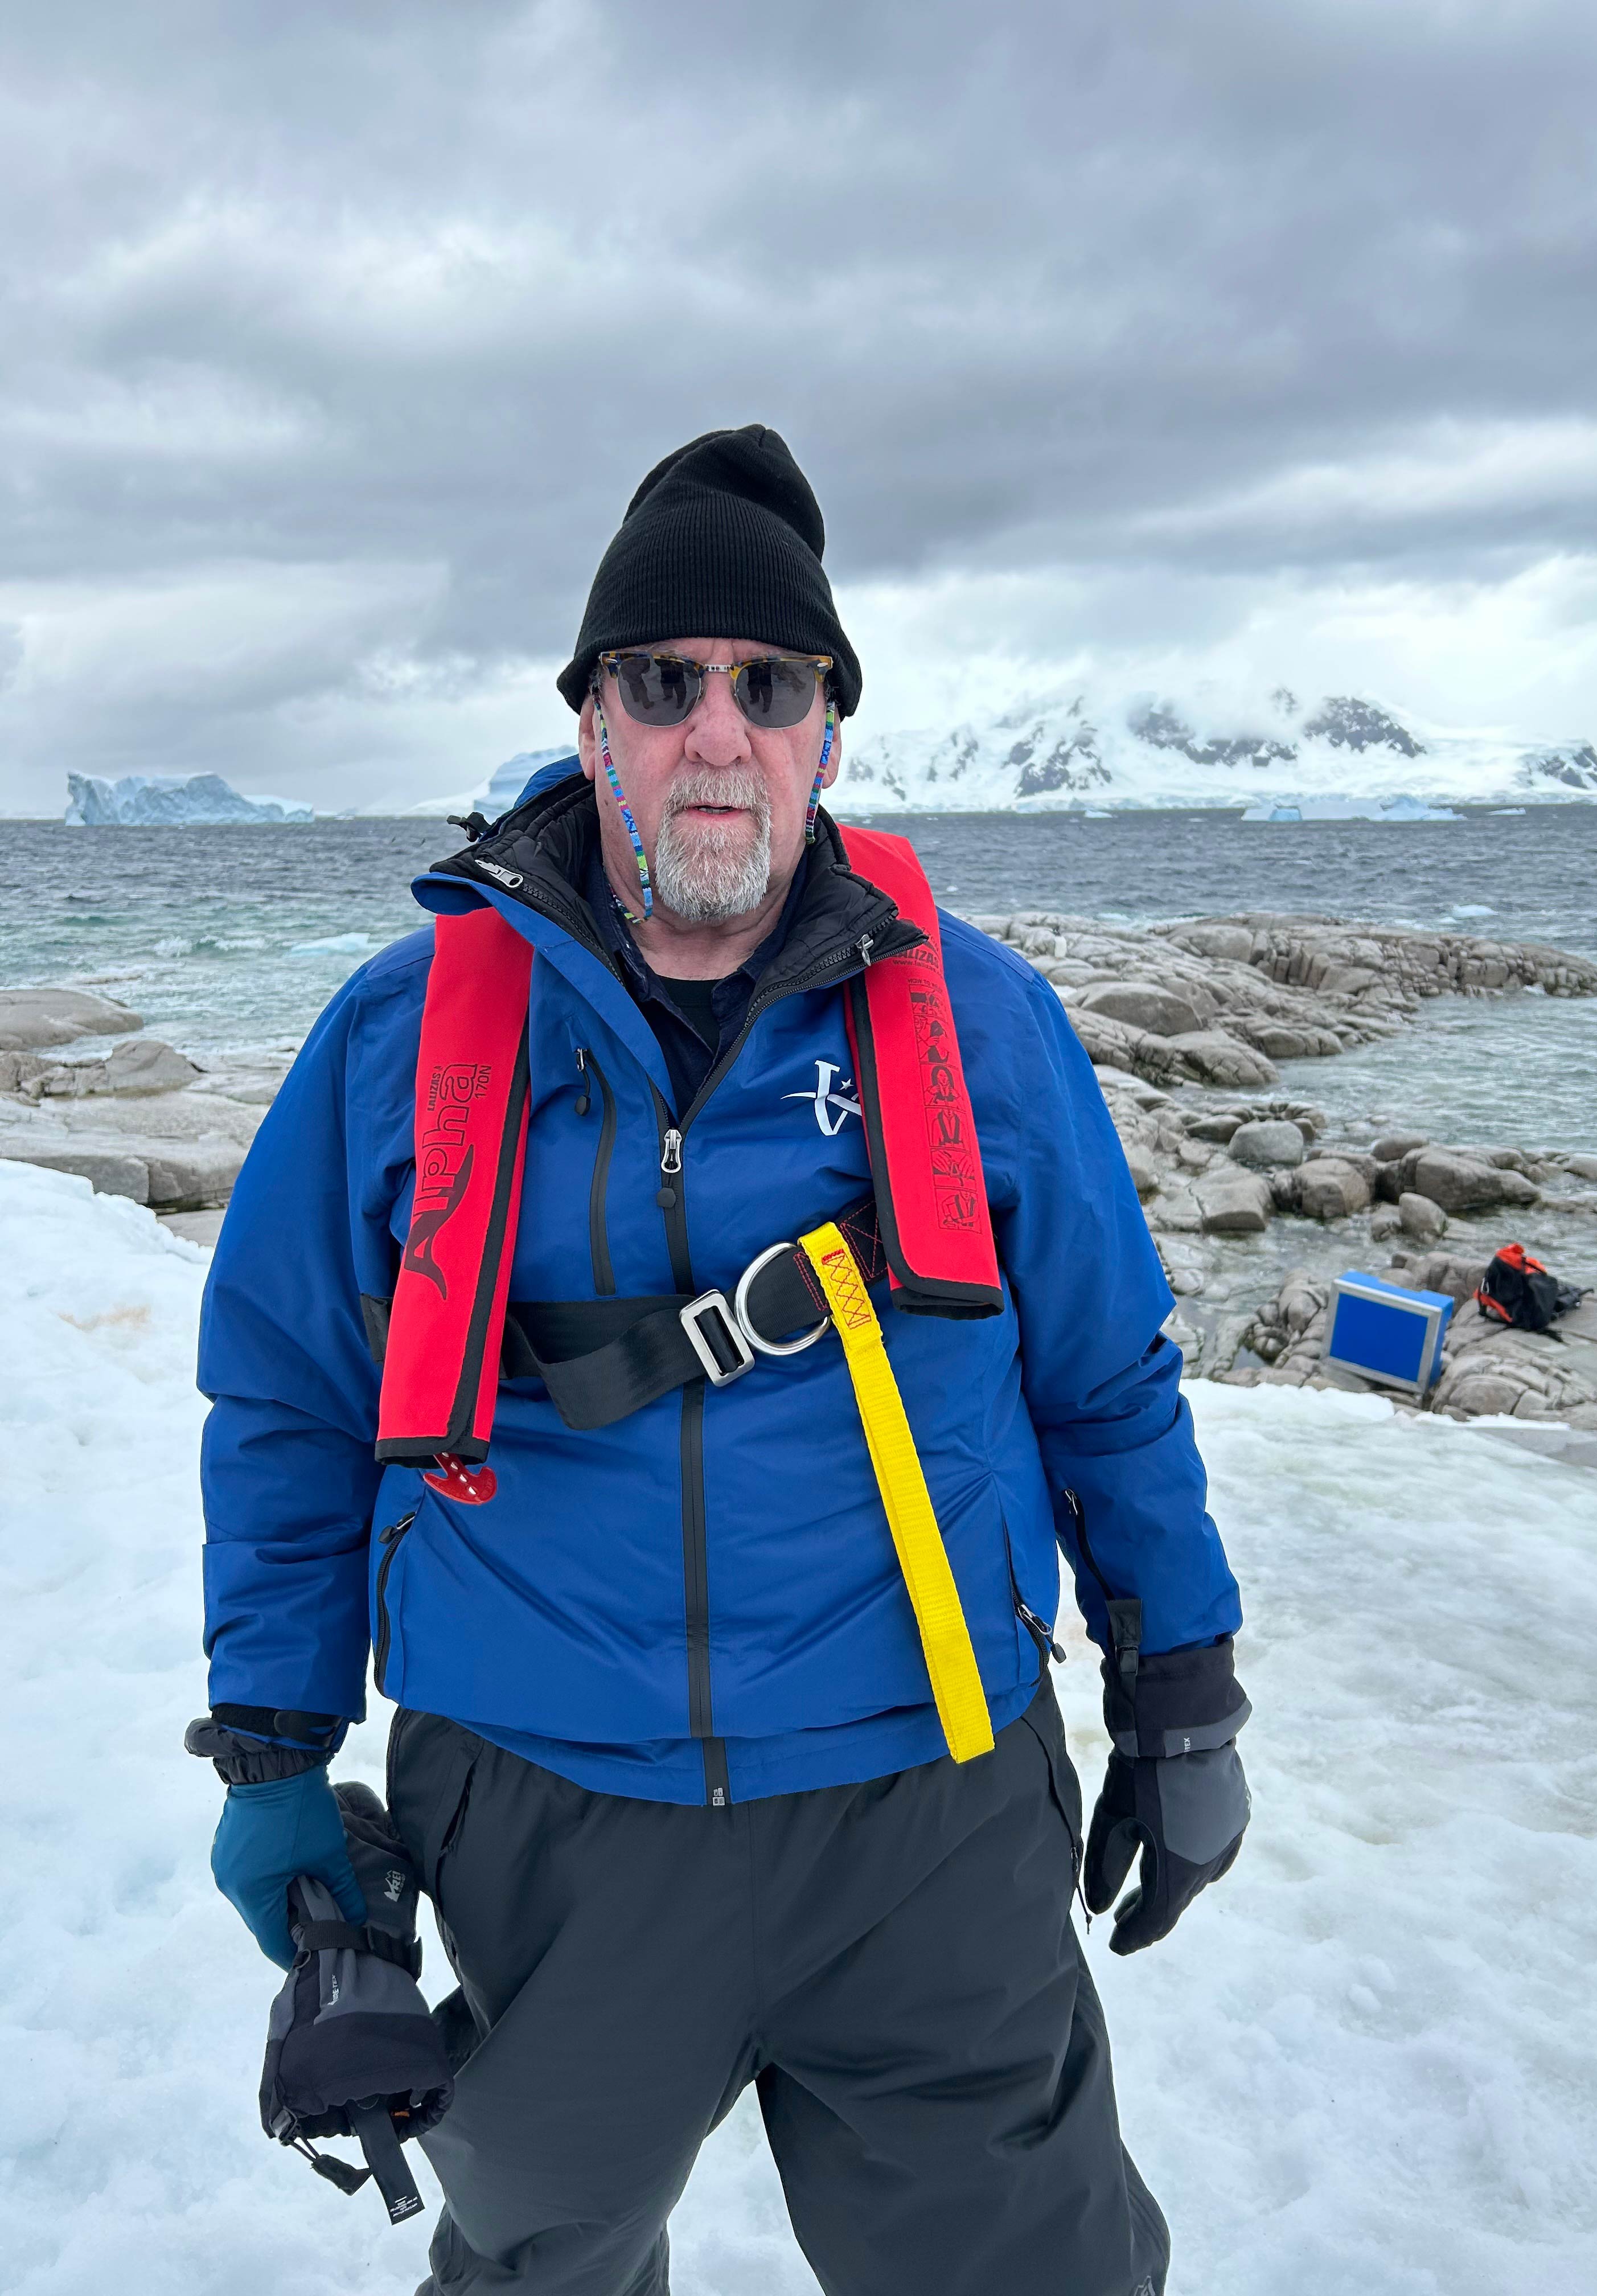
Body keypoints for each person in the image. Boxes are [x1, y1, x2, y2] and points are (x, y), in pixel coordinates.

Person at [188, 424, 1249, 2296]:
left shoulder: (976, 1023)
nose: (715, 727)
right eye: (664, 681)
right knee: (537, 2265)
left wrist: (1184, 1687)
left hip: (927, 1809)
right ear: (593, 715)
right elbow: (287, 1392)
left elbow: (1105, 1373)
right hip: (542, 1809)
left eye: (769, 685)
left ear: (828, 733)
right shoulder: (404, 1031)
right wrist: (274, 1745)